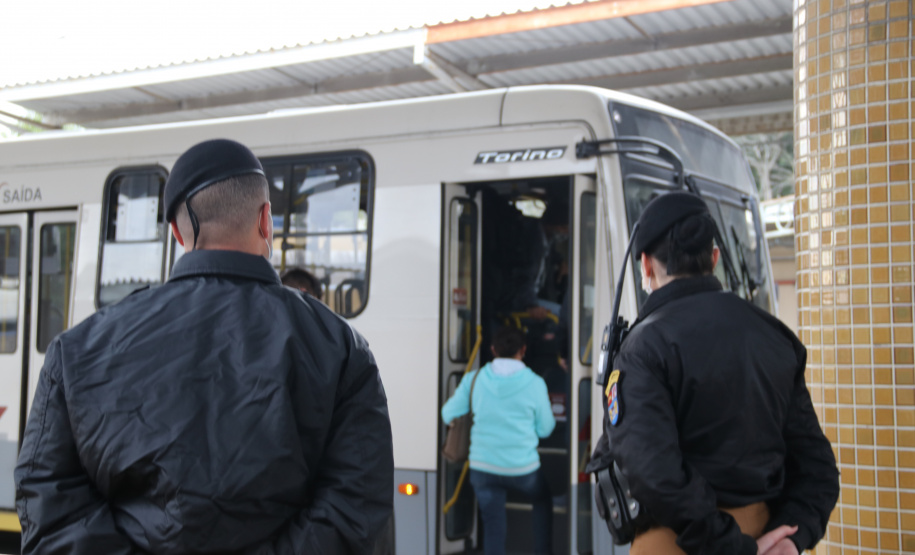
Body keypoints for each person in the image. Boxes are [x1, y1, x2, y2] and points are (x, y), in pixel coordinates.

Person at [15, 139, 394, 554]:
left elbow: (50, 505)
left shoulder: (77, 350)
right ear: (265, 220)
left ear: (178, 233)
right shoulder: (341, 348)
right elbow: (355, 509)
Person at [589, 192, 839, 555]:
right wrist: (791, 538)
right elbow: (818, 468)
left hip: (678, 542)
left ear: (646, 265)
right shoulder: (774, 335)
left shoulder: (643, 348)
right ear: (715, 258)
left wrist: (732, 547)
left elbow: (654, 475)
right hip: (765, 531)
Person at [441, 326, 556, 555]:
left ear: (493, 350)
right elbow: (546, 429)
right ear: (523, 350)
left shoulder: (474, 379)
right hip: (523, 470)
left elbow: (448, 414)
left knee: (493, 527)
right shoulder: (535, 383)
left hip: (483, 469)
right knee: (543, 499)